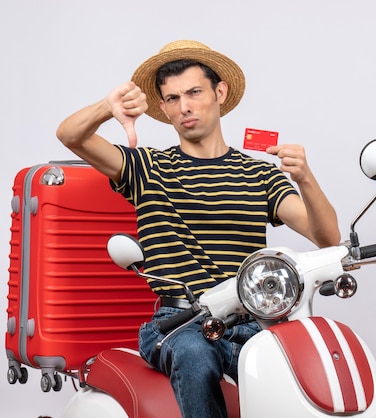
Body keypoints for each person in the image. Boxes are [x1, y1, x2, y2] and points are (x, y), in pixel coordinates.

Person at [56, 40, 340, 418]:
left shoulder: (258, 174)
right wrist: (107, 108)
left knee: (304, 361)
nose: (184, 106)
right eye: (172, 98)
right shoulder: (147, 168)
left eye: (193, 92)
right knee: (194, 354)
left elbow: (327, 239)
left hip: (250, 320)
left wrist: (305, 178)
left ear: (219, 92)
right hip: (179, 323)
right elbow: (70, 135)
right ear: (163, 108)